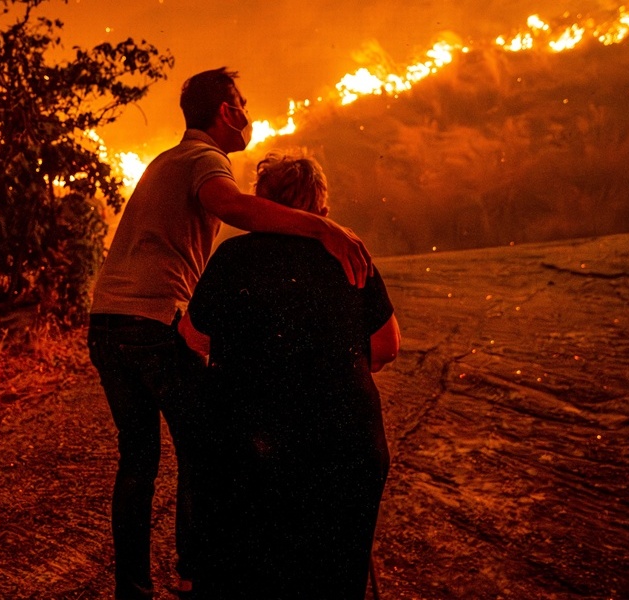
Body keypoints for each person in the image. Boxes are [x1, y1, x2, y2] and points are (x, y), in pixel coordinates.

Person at [87, 68, 374, 600]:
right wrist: (323, 226)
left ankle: (134, 590)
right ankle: (199, 574)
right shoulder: (205, 159)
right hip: (151, 323)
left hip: (105, 324)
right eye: (243, 103)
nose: (249, 114)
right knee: (211, 445)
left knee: (138, 463)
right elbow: (234, 207)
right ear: (226, 111)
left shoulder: (163, 162)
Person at [187, 152, 401, 600]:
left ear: (262, 202)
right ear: (321, 206)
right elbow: (387, 346)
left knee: (255, 579)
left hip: (254, 451)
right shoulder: (349, 254)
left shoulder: (234, 257)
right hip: (349, 448)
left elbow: (193, 334)